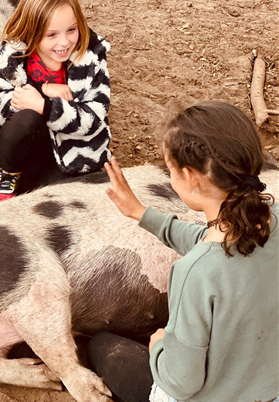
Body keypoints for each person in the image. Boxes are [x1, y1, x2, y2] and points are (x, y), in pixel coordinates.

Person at [89, 101, 278, 402]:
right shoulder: (270, 220)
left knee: (101, 346)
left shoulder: (195, 273)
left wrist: (159, 347)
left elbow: (180, 382)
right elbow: (221, 247)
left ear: (190, 177)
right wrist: (142, 214)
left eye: (170, 170)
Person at [0, 0, 111, 202]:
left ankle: (38, 177)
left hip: (74, 150)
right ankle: (9, 172)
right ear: (31, 32)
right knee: (24, 120)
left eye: (71, 30)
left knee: (54, 197)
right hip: (30, 143)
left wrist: (46, 107)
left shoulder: (91, 58)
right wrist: (42, 90)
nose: (64, 42)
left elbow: (94, 117)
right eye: (51, 35)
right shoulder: (13, 56)